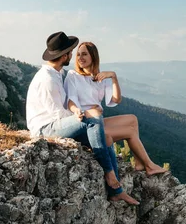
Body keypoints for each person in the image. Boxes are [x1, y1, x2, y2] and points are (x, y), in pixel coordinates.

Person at [26, 31, 139, 205]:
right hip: (46, 129)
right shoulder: (47, 79)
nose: (73, 55)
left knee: (106, 138)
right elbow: (58, 114)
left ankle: (116, 191)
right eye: (71, 52)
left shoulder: (56, 74)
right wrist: (80, 115)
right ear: (65, 56)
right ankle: (109, 173)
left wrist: (78, 114)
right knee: (94, 117)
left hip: (57, 123)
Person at [64, 41, 167, 176]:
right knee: (130, 131)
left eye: (84, 54)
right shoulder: (73, 75)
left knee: (132, 119)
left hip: (98, 119)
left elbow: (116, 99)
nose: (80, 58)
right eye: (78, 55)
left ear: (93, 56)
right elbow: (71, 100)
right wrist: (78, 110)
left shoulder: (100, 78)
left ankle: (139, 162)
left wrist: (113, 77)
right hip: (85, 122)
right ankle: (150, 166)